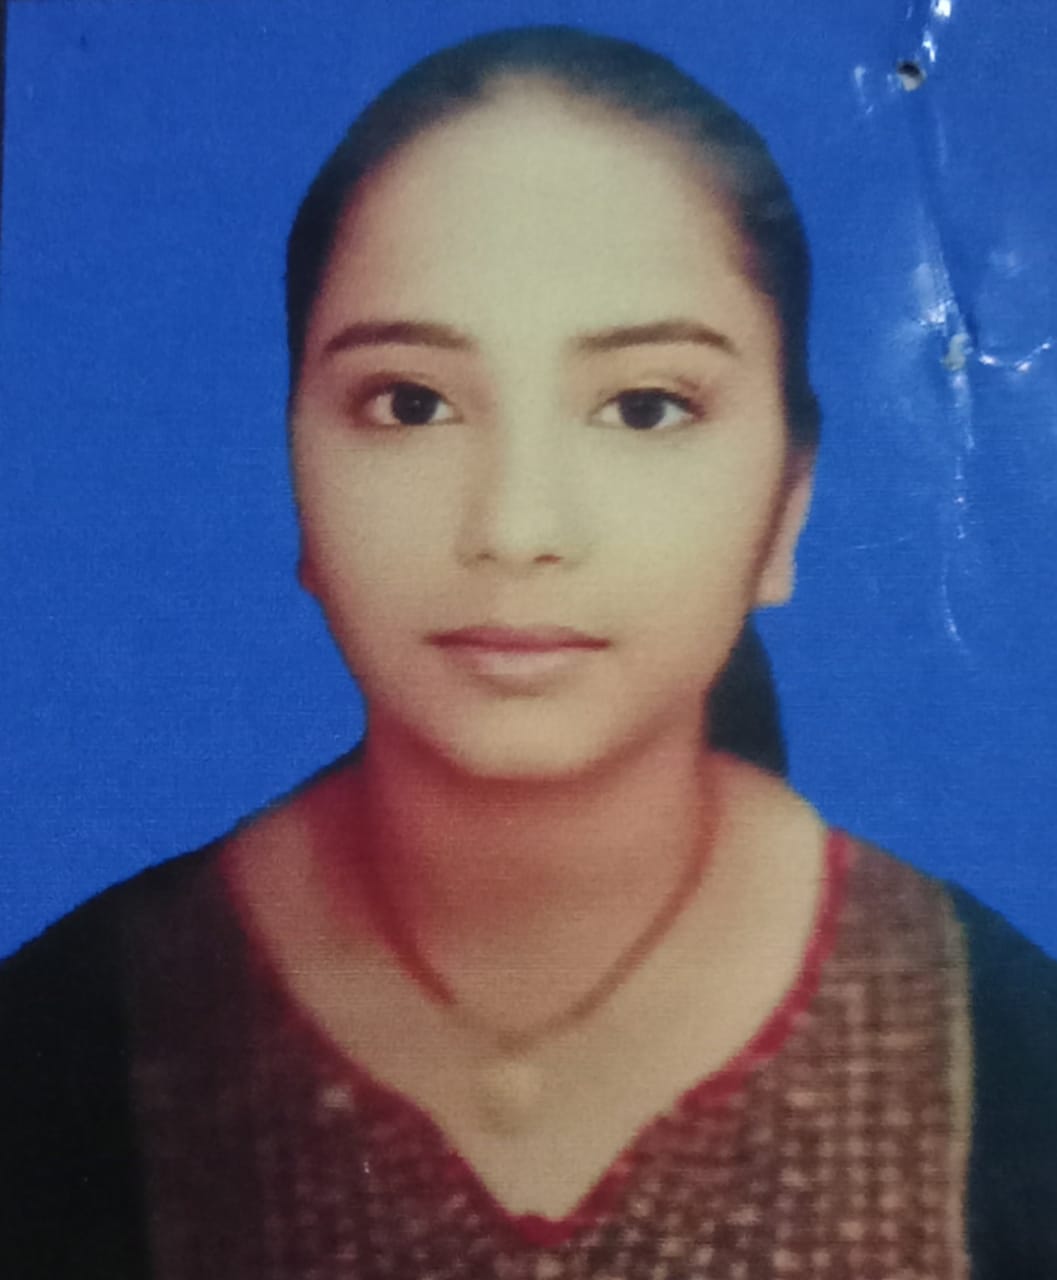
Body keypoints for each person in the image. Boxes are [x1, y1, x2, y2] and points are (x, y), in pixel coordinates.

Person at [2, 24, 1056, 1280]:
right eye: (411, 402)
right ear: (292, 473)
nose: (514, 526)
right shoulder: (59, 1043)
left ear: (788, 504)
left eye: (645, 406)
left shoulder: (1013, 1049)